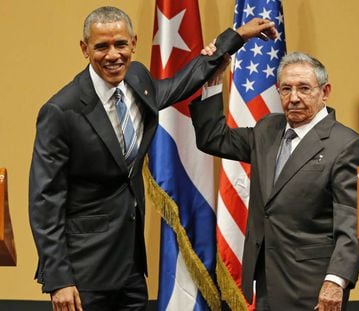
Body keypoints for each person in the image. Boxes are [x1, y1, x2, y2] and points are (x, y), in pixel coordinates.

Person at [28, 6, 277, 311]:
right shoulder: (60, 112)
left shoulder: (137, 79)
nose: (113, 55)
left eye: (120, 44)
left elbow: (177, 85)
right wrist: (59, 279)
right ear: (85, 49)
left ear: (133, 43)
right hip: (83, 274)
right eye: (101, 46)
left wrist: (234, 38)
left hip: (130, 267)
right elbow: (45, 201)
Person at [190, 51, 359, 310]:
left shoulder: (347, 145)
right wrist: (213, 82)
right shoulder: (268, 129)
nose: (294, 98)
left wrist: (336, 281)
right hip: (265, 281)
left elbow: (351, 222)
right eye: (286, 89)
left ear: (325, 91)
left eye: (304, 88)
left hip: (313, 287)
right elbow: (213, 137)